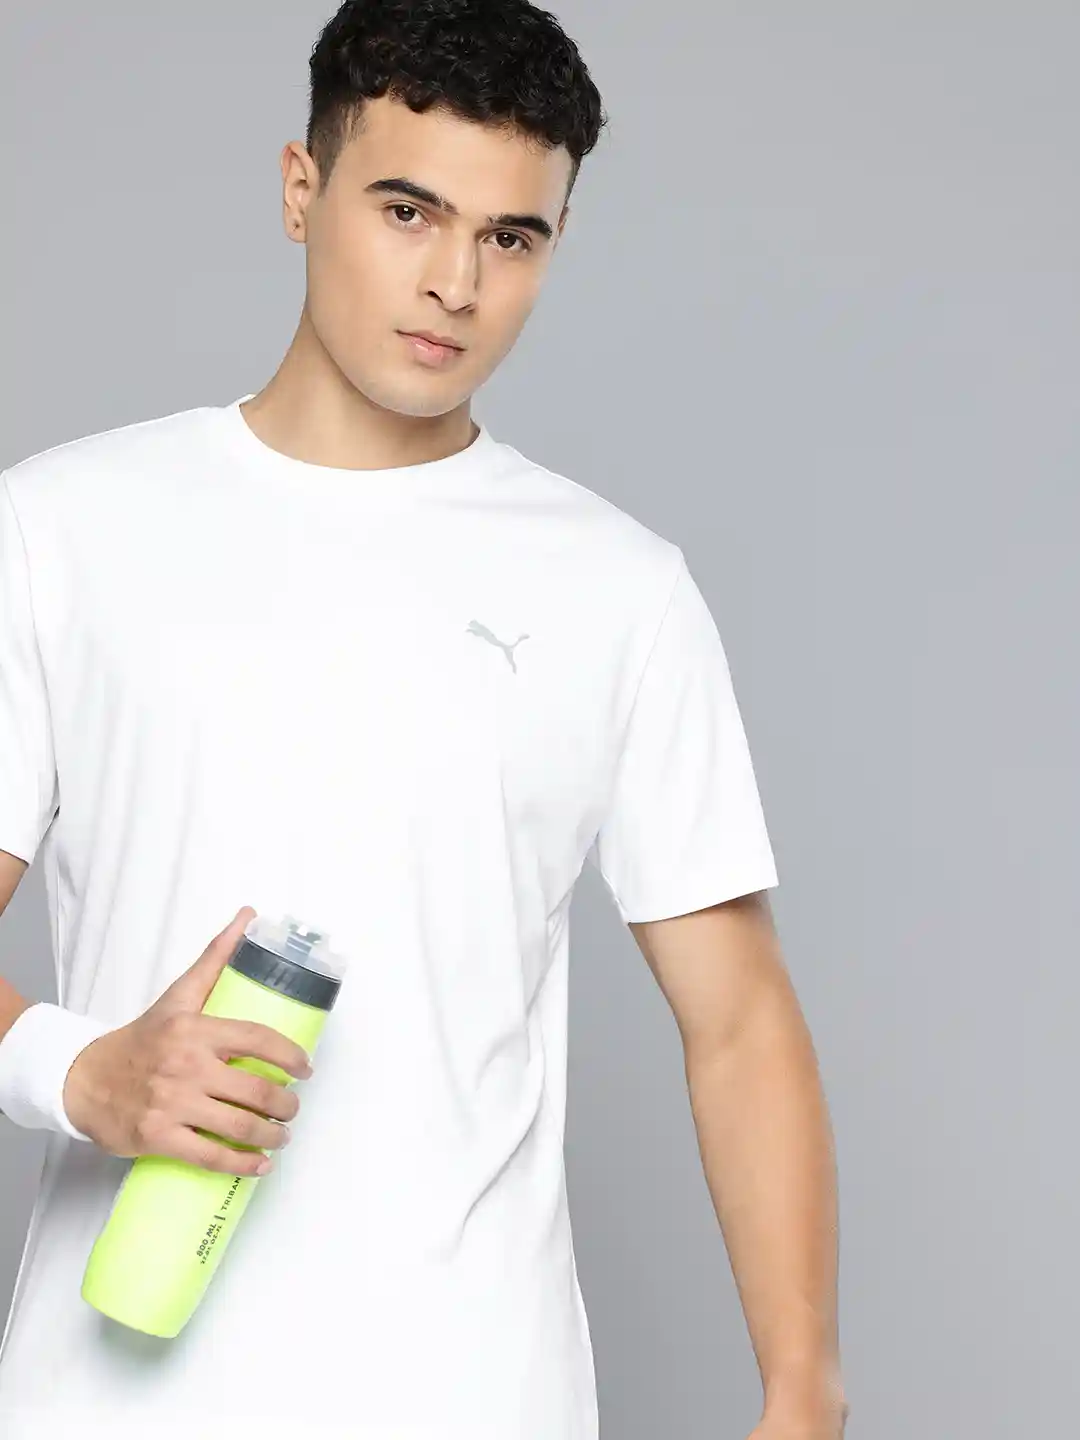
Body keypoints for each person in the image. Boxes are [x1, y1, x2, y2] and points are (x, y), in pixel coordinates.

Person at [0, 2, 847, 1437]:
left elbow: (739, 1020)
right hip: (113, 1400)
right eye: (408, 211)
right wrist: (77, 1072)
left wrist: (803, 1390)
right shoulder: (59, 532)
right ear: (301, 189)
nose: (456, 282)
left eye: (512, 237)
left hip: (477, 1394)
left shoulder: (619, 591)